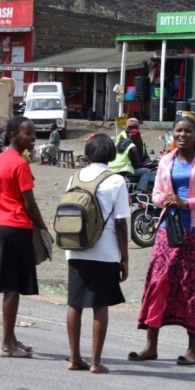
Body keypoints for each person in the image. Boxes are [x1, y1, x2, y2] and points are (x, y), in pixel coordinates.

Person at [129, 116, 195, 365]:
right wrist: (168, 201)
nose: (182, 135)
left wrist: (188, 203)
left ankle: (192, 349)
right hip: (167, 228)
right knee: (158, 282)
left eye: (187, 131)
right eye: (178, 131)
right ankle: (151, 346)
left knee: (191, 287)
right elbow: (157, 194)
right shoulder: (166, 160)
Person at [65, 133, 130, 374]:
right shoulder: (116, 181)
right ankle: (95, 361)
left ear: (88, 153)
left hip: (75, 248)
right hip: (104, 251)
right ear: (111, 154)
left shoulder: (74, 177)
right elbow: (122, 223)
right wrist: (124, 257)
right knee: (100, 305)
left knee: (75, 304)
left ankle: (74, 358)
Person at [0, 116, 52, 358]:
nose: (33, 137)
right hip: (15, 227)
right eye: (28, 133)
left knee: (9, 285)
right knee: (12, 288)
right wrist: (45, 229)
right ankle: (6, 345)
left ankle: (12, 337)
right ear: (14, 135)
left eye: (34, 133)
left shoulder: (0, 159)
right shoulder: (20, 164)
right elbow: (31, 205)